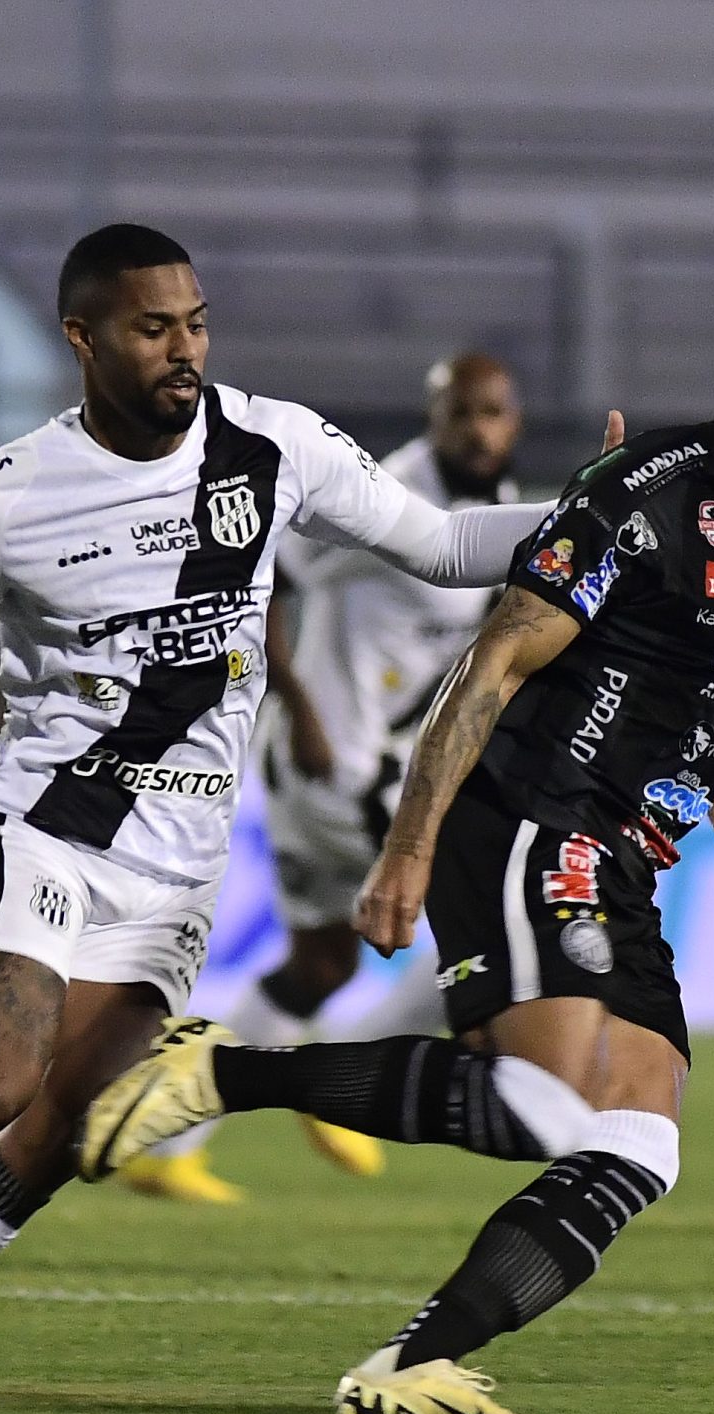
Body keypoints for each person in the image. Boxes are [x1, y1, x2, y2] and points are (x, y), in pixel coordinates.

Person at [0, 223, 623, 1410]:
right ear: (82, 339)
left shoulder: (272, 445)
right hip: (40, 833)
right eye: (151, 328)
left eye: (194, 323)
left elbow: (441, 543)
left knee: (56, 1136)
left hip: (177, 878)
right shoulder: (10, 498)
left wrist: (588, 512)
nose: (182, 350)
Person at [83, 289, 714, 1414]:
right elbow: (490, 666)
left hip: (625, 858)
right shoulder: (647, 496)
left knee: (637, 1140)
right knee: (541, 1105)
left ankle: (408, 1361)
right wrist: (408, 852)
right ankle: (227, 1072)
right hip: (533, 816)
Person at [122, 351, 525, 1204]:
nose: (480, 431)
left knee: (318, 967)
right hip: (336, 765)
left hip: (353, 770)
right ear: (436, 417)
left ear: (513, 421)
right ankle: (353, 1078)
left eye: (494, 414)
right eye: (465, 414)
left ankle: (169, 1142)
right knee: (481, 902)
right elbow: (261, 576)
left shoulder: (495, 503)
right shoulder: (392, 501)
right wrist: (295, 698)